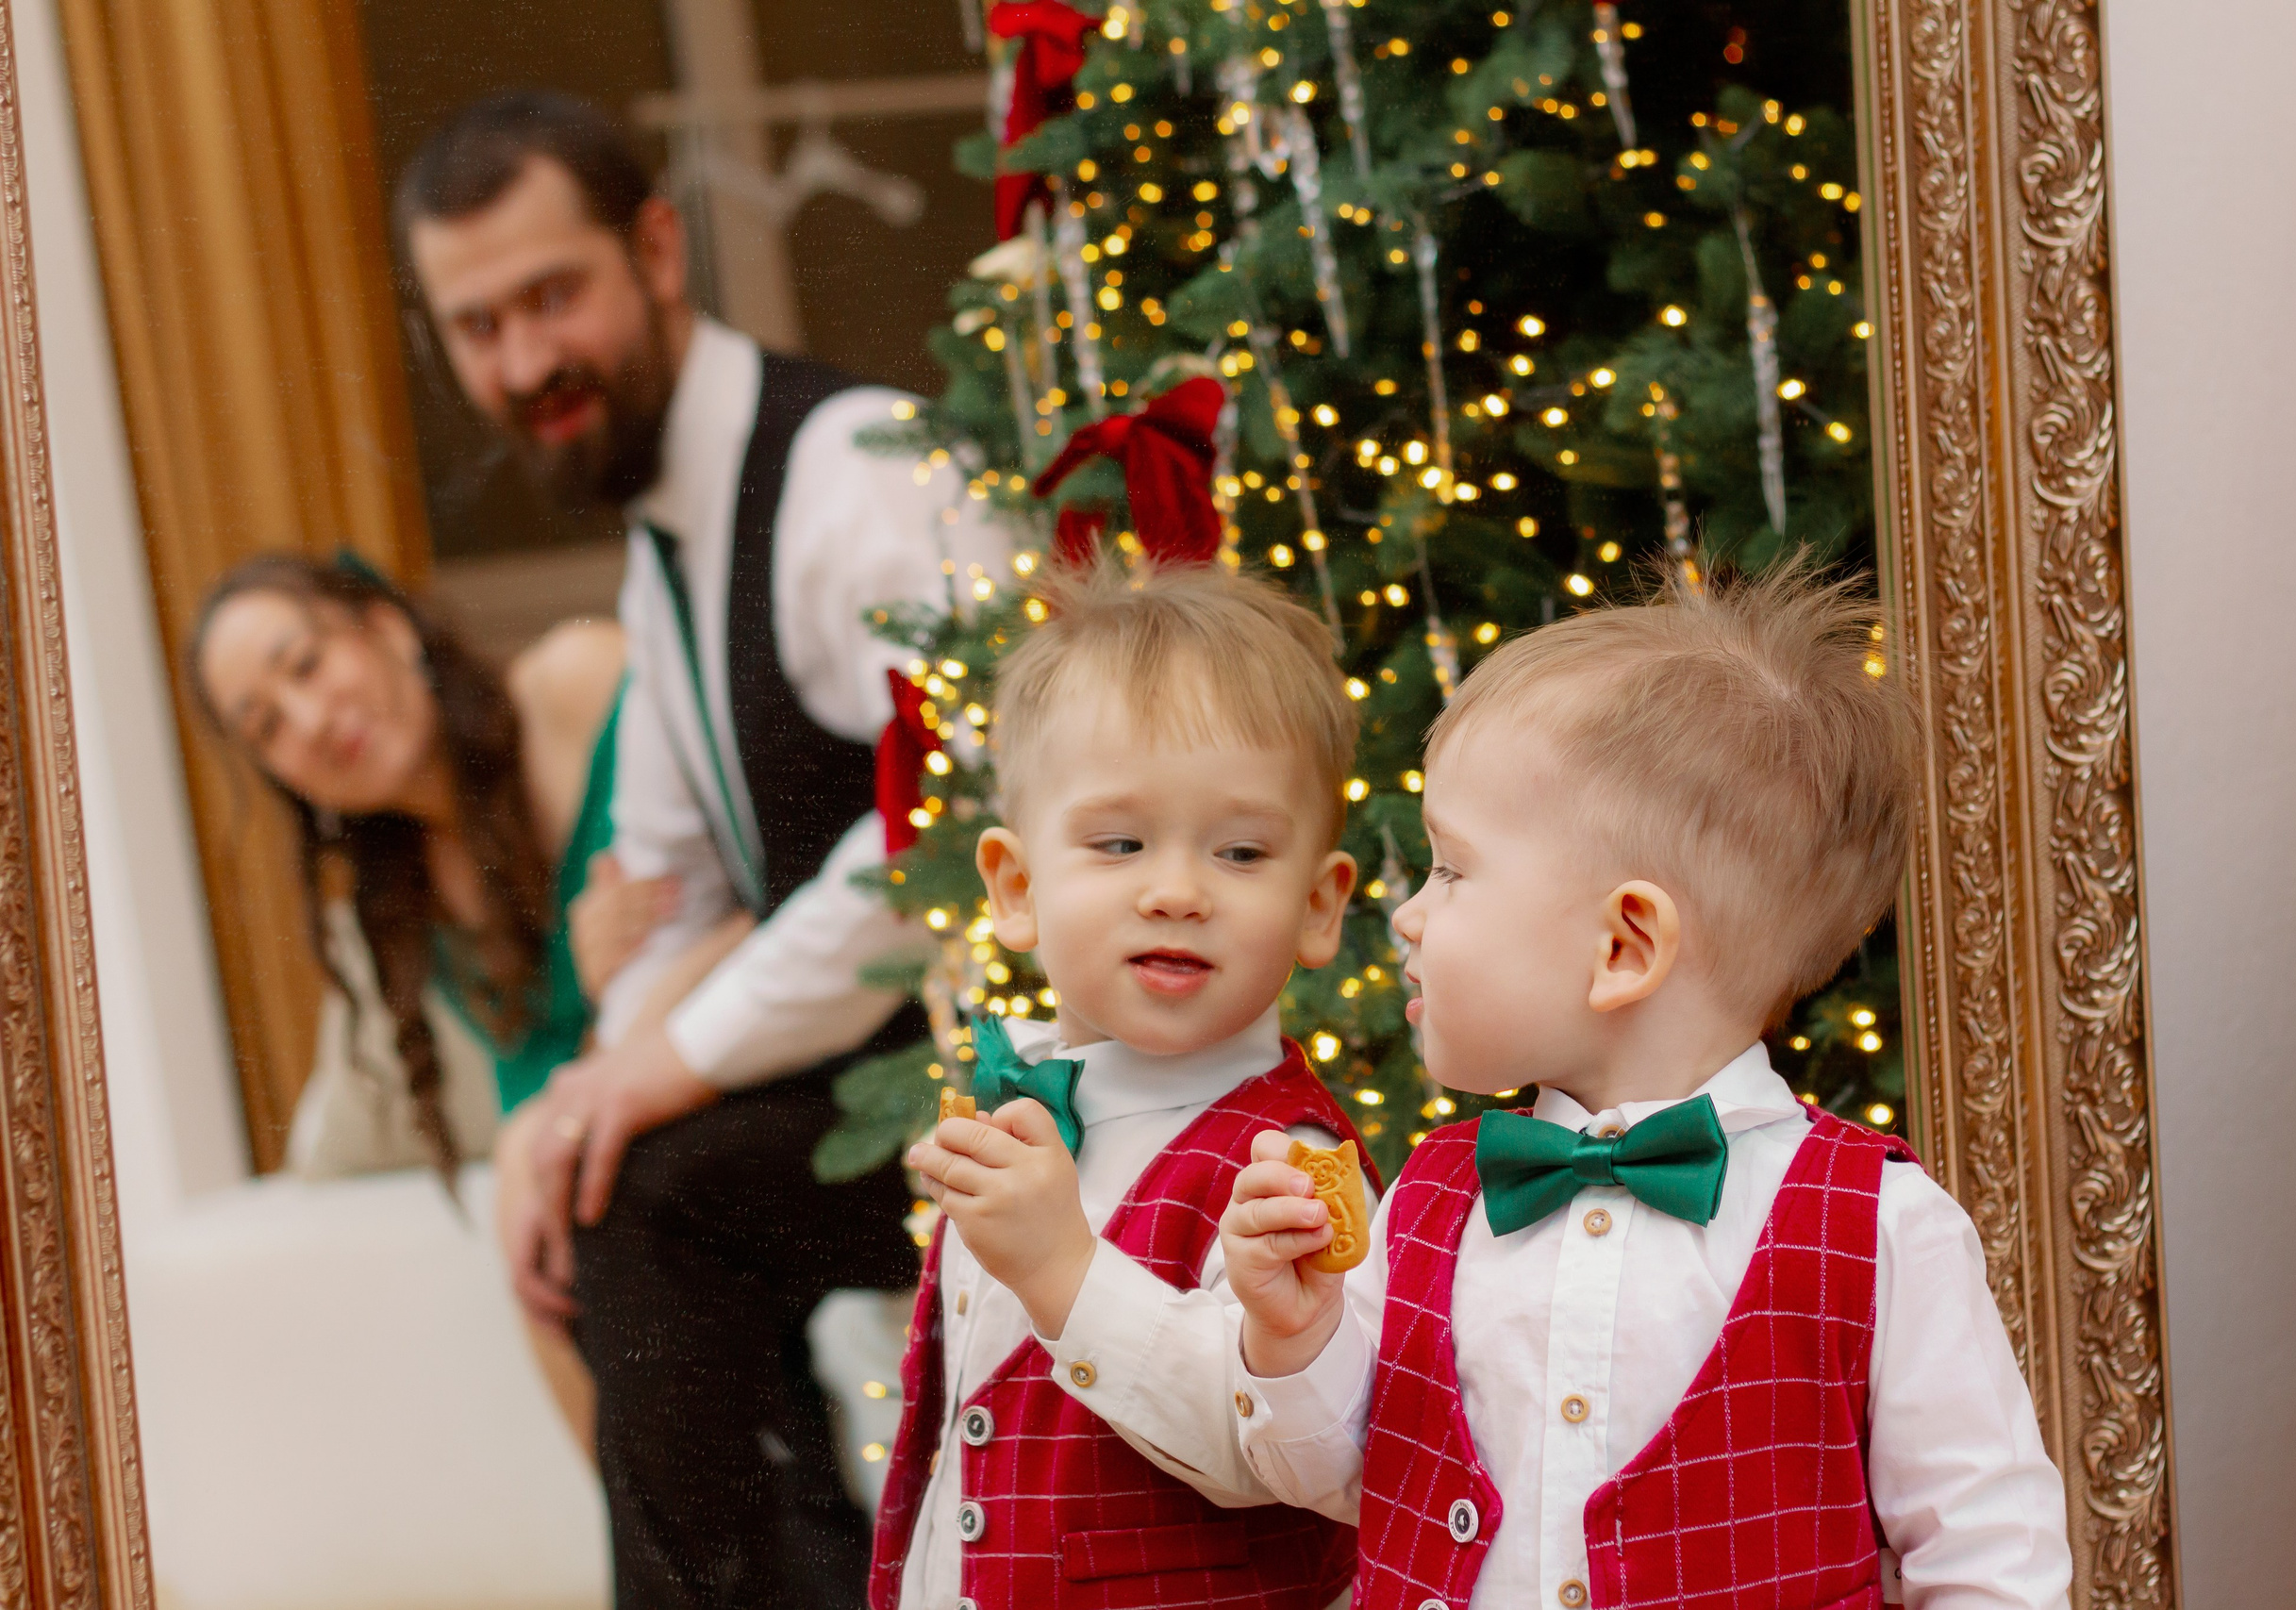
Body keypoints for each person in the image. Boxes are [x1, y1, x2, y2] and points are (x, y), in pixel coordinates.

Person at [395, 91, 1007, 1607]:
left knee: (653, 1196)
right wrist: (590, 1095)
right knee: (614, 1173)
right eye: (477, 327)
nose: (526, 362)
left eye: (553, 297)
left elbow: (955, 828)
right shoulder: (663, 540)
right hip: (880, 1092)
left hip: (1032, 1090)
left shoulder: (852, 474)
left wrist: (660, 1072)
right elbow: (665, 888)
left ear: (657, 249)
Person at [1221, 562, 2074, 1609]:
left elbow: (1991, 1556)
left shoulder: (1884, 1231)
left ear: (1624, 945)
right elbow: (1333, 1480)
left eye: (1450, 869)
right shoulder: (1432, 1198)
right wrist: (1294, 1332)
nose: (1409, 913)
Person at [875, 557, 1373, 1610]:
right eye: (1119, 843)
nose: (1177, 891)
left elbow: (1304, 1459)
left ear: (1320, 908)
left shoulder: (1293, 1167)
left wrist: (1064, 1268)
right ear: (1015, 887)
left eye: (1240, 851)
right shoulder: (1020, 1112)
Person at [188, 555, 746, 1447]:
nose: (308, 722)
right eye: (266, 729)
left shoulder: (578, 685)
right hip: (650, 1224)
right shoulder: (411, 909)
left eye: (304, 665)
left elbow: (788, 886)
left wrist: (641, 997)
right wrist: (605, 1026)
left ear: (386, 626)